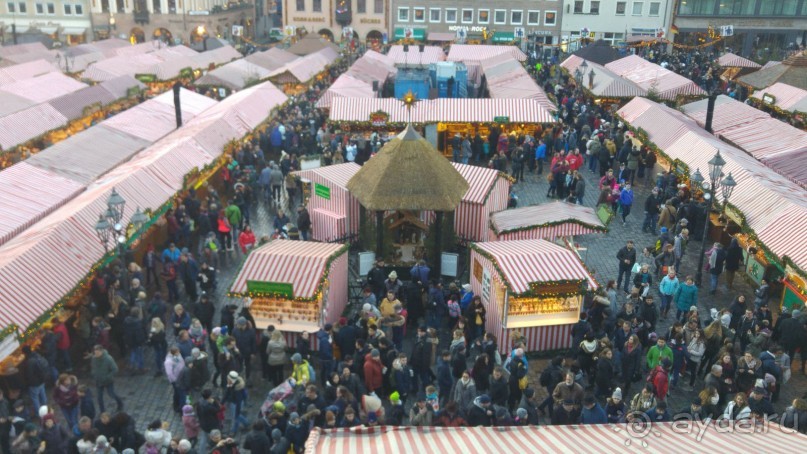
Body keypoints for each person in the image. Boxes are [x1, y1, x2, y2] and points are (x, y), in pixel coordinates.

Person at [90, 345, 123, 413]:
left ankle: (120, 404)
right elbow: (93, 367)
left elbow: (115, 369)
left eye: (98, 353)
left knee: (111, 394)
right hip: (99, 381)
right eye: (95, 353)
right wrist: (94, 374)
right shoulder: (94, 359)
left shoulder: (108, 359)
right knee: (99, 398)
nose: (96, 354)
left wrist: (108, 377)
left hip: (108, 381)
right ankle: (102, 411)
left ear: (101, 351)